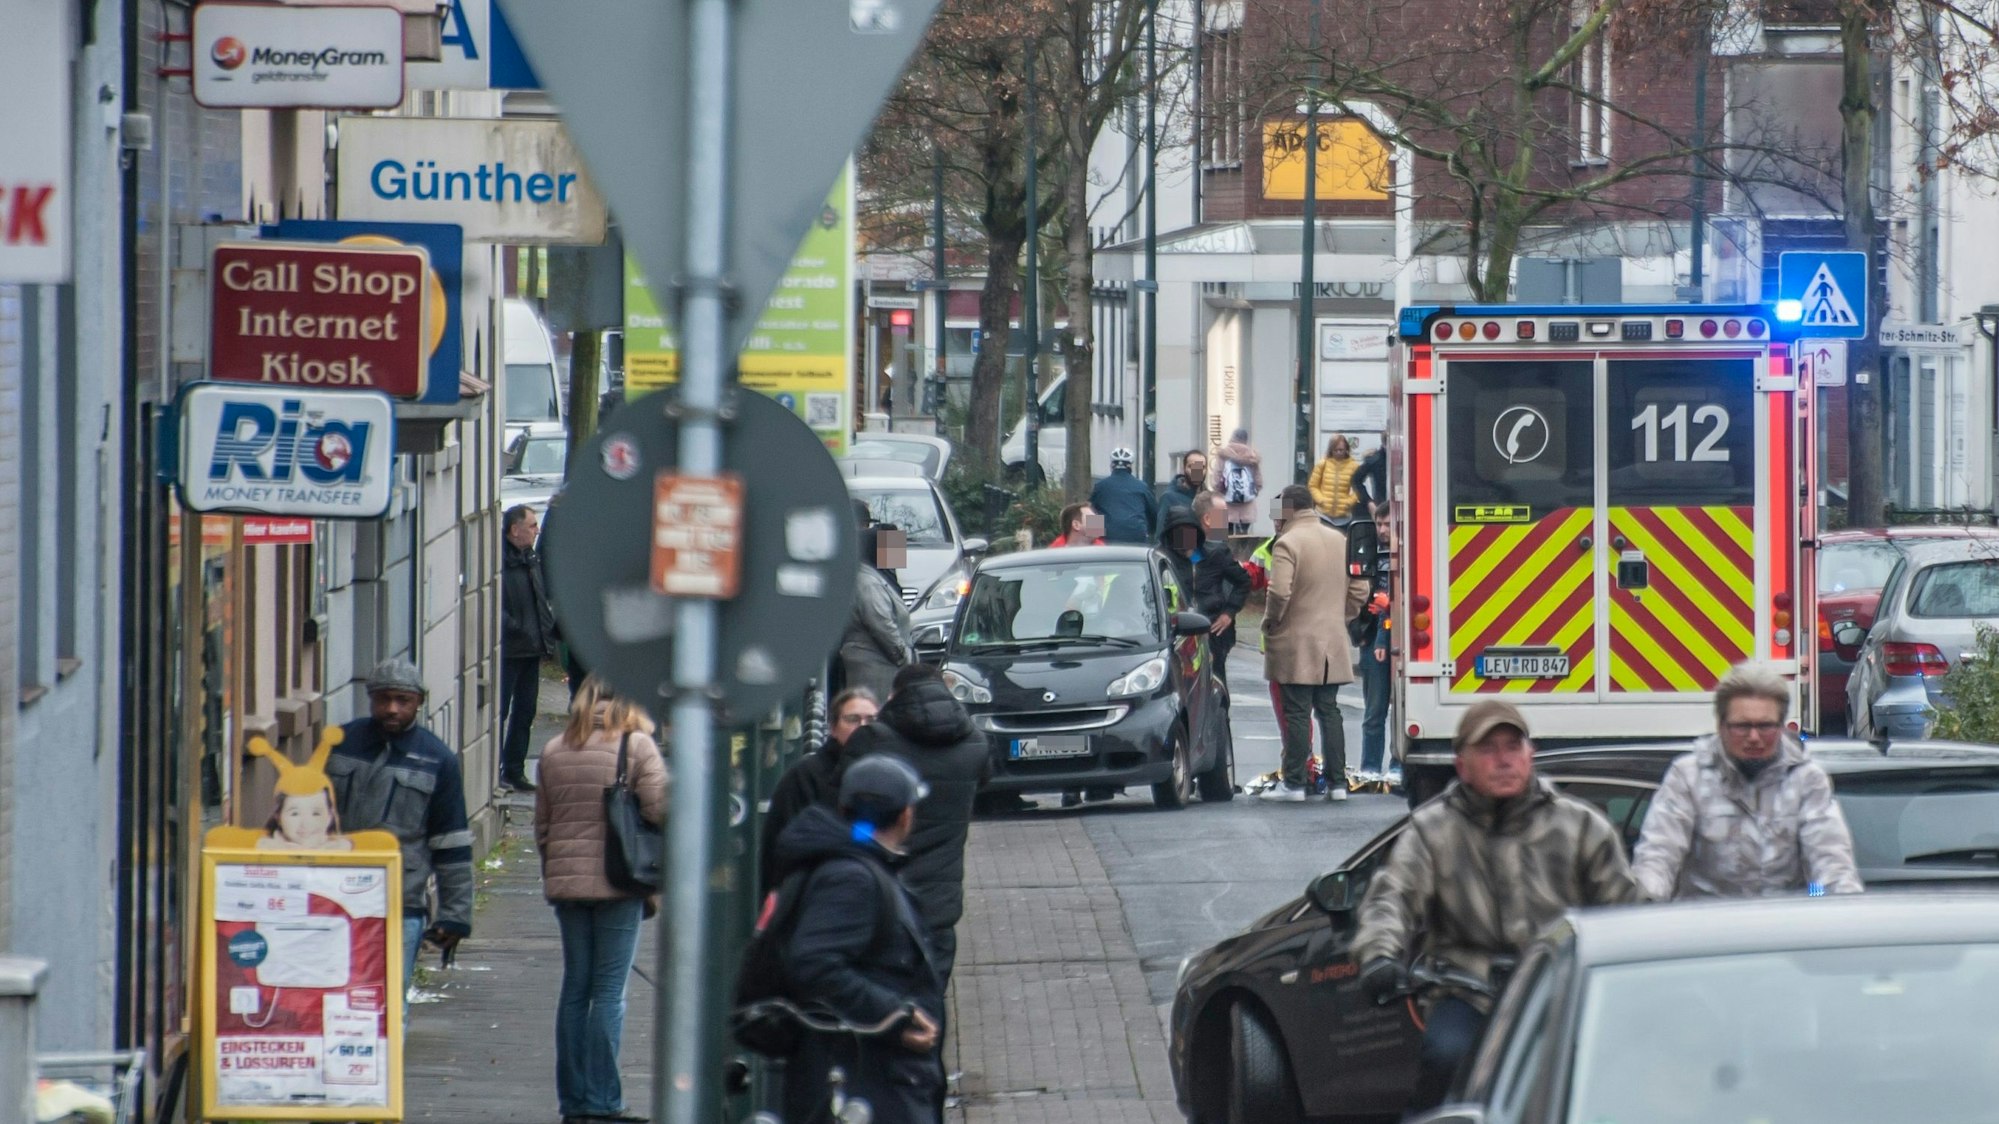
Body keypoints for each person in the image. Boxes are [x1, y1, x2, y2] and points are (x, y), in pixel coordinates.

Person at [1353, 700, 1640, 1115]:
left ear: (1531, 755)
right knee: (1447, 1059)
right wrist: (1379, 955)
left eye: (1512, 747)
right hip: (1468, 993)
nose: (1503, 759)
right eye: (1488, 749)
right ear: (1462, 764)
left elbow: (1626, 908)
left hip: (1561, 991)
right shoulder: (1433, 831)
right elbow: (1391, 896)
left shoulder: (1580, 826)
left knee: (1602, 1078)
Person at [775, 756, 945, 1124]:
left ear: (843, 809)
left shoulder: (851, 862)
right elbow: (815, 964)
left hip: (869, 1072)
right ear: (905, 816)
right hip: (870, 1081)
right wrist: (895, 1016)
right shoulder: (852, 877)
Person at [533, 676, 667, 1124]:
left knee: (575, 990)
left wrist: (556, 874)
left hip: (568, 886)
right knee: (609, 992)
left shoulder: (553, 751)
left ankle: (573, 1100)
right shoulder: (637, 747)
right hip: (618, 883)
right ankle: (603, 1100)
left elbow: (543, 827)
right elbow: (660, 809)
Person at [1631, 662, 1863, 900]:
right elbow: (1658, 857)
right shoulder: (1687, 777)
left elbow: (1832, 862)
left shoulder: (1806, 779)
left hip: (1784, 929)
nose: (1754, 737)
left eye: (1765, 726)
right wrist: (1645, 905)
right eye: (1742, 727)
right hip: (1704, 930)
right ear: (1721, 726)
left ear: (1781, 727)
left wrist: (1846, 914)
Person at [329, 659, 474, 995]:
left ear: (419, 702)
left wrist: (455, 916)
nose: (392, 709)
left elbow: (451, 843)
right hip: (332, 896)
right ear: (370, 698)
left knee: (390, 1002)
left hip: (400, 902)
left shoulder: (438, 760)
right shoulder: (341, 744)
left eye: (402, 701)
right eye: (384, 699)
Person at [843, 663, 989, 983]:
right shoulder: (975, 741)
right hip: (940, 907)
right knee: (929, 1009)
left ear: (894, 695)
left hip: (878, 901)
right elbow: (988, 777)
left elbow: (841, 798)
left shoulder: (872, 740)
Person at [1259, 485, 1370, 802]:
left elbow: (1279, 591)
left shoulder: (1287, 543)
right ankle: (1337, 783)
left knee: (1296, 711)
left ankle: (1294, 782)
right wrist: (1342, 615)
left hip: (1295, 638)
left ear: (1288, 511)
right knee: (1329, 710)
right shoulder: (1339, 538)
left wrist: (1272, 621)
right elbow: (1360, 588)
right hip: (1332, 638)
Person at [761, 687, 881, 892]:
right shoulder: (805, 776)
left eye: (871, 720)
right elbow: (782, 845)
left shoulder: (887, 775)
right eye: (852, 719)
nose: (862, 727)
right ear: (833, 728)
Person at [501, 504, 557, 791]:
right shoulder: (501, 560)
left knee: (525, 712)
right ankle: (498, 767)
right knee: (500, 711)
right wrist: (516, 628)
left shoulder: (530, 558)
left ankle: (514, 768)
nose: (537, 531)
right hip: (510, 650)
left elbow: (540, 600)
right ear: (515, 530)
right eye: (532, 525)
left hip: (531, 649)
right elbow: (497, 606)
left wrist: (548, 634)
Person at [839, 526, 915, 700]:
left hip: (883, 667)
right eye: (892, 547)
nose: (897, 555)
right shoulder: (868, 582)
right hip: (876, 669)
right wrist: (904, 657)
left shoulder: (882, 575)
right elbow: (881, 623)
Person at [1189, 492, 1252, 691]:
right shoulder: (1183, 549)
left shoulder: (1219, 550)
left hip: (1213, 630)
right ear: (1207, 519)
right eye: (1223, 515)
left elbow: (1243, 581)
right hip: (1186, 629)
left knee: (1216, 685)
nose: (1228, 520)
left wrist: (1228, 613)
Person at [1089, 447, 1156, 545]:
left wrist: (1094, 538)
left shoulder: (1100, 486)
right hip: (1136, 536)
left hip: (1108, 537)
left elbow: (1092, 512)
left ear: (1112, 465)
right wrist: (1148, 530)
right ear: (1130, 466)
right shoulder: (1142, 487)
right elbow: (1153, 513)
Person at [1214, 428, 1263, 535]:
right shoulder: (1252, 456)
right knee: (1243, 536)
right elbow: (1258, 481)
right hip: (1247, 504)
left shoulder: (1224, 454)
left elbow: (1217, 476)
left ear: (1232, 437)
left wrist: (1218, 491)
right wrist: (1254, 491)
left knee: (1224, 535)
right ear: (1246, 440)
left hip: (1226, 503)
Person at [1154, 449, 1209, 537]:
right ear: (1183, 469)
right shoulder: (1168, 498)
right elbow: (1160, 536)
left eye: (1201, 467)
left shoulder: (1213, 500)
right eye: (1192, 467)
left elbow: (1220, 538)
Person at [1308, 434, 1360, 521]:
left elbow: (1358, 488)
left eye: (1341, 450)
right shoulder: (1323, 464)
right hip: (1322, 514)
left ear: (1346, 449)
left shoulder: (1354, 466)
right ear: (1331, 450)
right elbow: (1312, 485)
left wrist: (1349, 502)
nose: (1338, 453)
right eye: (1335, 450)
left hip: (1344, 515)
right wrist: (1321, 500)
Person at [1350, 435, 1388, 518]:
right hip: (1382, 506)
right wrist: (1369, 502)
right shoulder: (1375, 459)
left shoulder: (1405, 458)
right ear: (1384, 444)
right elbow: (1355, 480)